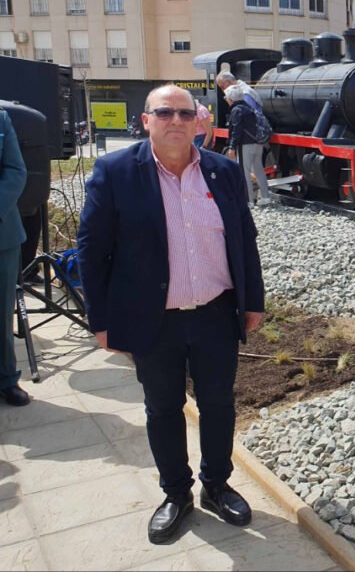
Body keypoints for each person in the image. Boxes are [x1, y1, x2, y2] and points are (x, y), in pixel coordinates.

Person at [77, 84, 265, 544]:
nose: (176, 121)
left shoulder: (223, 172)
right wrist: (100, 321)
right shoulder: (115, 171)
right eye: (165, 113)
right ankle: (176, 494)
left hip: (216, 314)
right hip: (152, 320)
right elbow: (91, 249)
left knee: (219, 405)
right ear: (146, 121)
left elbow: (244, 237)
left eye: (186, 113)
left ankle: (217, 486)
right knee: (162, 408)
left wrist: (253, 301)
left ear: (199, 121)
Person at [0, 108, 29, 406]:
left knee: (1, 313)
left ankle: (6, 379)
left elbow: (15, 171)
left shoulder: (0, 118)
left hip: (1, 236)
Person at [223, 84, 272, 207]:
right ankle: (266, 197)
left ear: (231, 98)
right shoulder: (249, 108)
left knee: (244, 172)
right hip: (258, 143)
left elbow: (237, 130)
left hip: (245, 145)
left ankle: (248, 200)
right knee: (259, 169)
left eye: (226, 98)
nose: (226, 101)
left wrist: (232, 147)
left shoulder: (236, 110)